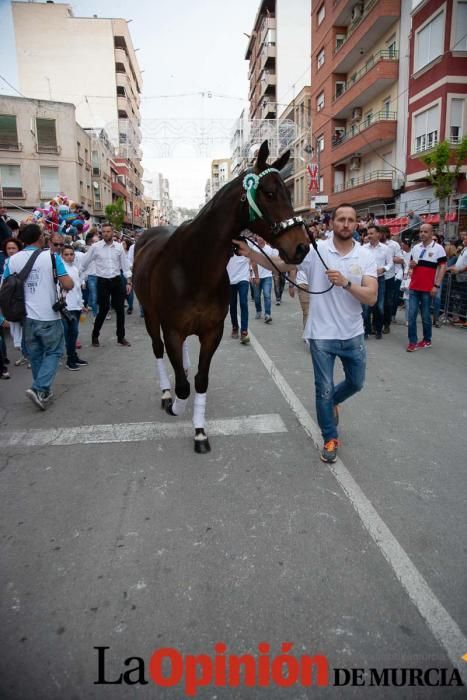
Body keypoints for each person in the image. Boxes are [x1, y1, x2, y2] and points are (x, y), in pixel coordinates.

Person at [234, 203, 377, 464]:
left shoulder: (366, 256)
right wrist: (251, 254)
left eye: (350, 220)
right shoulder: (315, 251)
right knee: (322, 390)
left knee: (356, 383)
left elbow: (371, 297)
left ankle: (331, 402)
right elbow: (281, 263)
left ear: (357, 224)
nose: (345, 224)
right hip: (321, 335)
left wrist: (345, 283)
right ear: (332, 223)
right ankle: (330, 437)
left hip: (353, 333)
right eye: (341, 219)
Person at [1, 223, 74, 409]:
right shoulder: (50, 257)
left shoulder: (12, 260)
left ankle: (43, 393)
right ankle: (39, 387)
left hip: (26, 317)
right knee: (55, 351)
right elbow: (67, 284)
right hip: (48, 315)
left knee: (35, 356)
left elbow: (5, 287)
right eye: (43, 234)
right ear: (39, 237)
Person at [80, 222, 132, 347]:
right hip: (102, 281)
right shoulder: (95, 247)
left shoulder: (119, 247)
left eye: (108, 231)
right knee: (103, 310)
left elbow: (125, 266)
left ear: (112, 232)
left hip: (117, 280)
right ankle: (95, 335)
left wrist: (129, 281)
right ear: (101, 233)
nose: (106, 234)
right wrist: (79, 279)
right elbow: (84, 263)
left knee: (120, 310)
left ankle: (121, 337)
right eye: (104, 232)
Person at [406, 222, 447, 352]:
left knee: (425, 316)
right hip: (414, 286)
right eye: (421, 231)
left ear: (431, 233)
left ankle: (427, 339)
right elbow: (411, 267)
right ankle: (412, 342)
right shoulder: (416, 247)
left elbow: (443, 267)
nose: (422, 234)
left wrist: (436, 285)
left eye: (425, 232)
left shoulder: (439, 248)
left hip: (428, 288)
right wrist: (411, 267)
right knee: (411, 316)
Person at [60, 245, 88, 370]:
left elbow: (77, 289)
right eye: (66, 254)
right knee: (69, 334)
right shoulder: (61, 270)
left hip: (76, 306)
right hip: (66, 307)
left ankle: (73, 356)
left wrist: (81, 304)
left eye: (71, 254)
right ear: (62, 256)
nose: (69, 256)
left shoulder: (75, 269)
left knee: (74, 333)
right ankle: (70, 360)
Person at [227, 235, 257, 344]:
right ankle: (235, 326)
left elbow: (254, 261)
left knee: (244, 303)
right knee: (233, 305)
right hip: (231, 282)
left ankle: (244, 330)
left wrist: (256, 276)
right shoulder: (229, 253)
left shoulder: (247, 252)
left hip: (243, 280)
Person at [363, 225, 392, 339]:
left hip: (380, 279)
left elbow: (390, 263)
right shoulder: (363, 248)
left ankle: (378, 329)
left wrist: (384, 269)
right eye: (368, 233)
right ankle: (366, 330)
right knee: (365, 307)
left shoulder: (385, 248)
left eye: (371, 233)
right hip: (366, 279)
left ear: (378, 234)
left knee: (379, 306)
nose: (369, 236)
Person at [252, 235, 275, 323]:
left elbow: (274, 261)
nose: (260, 238)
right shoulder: (254, 248)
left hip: (267, 276)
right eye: (258, 237)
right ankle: (258, 310)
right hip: (256, 276)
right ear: (256, 238)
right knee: (257, 297)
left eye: (261, 237)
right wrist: (253, 275)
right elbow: (252, 262)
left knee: (267, 295)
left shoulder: (269, 249)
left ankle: (267, 314)